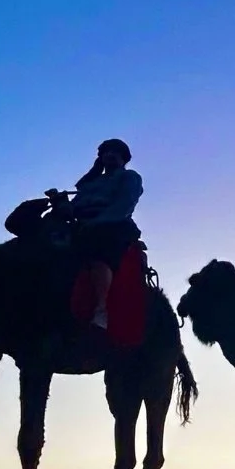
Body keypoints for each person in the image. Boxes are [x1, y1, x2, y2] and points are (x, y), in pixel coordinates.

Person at [50, 138, 143, 331]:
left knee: (98, 249)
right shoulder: (91, 184)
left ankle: (102, 308)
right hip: (80, 223)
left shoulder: (129, 177)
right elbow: (74, 207)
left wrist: (96, 222)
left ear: (123, 158)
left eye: (115, 152)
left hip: (112, 224)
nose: (109, 155)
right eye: (105, 152)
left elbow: (124, 205)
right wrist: (61, 204)